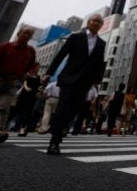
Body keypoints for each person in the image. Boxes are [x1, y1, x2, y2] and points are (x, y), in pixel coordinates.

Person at [43, 14, 106, 155]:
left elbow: (100, 63)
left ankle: (62, 126)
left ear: (101, 25)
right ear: (89, 22)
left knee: (74, 110)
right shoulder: (76, 37)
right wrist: (49, 73)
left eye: (99, 22)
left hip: (85, 82)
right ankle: (55, 141)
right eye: (94, 20)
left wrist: (98, 80)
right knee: (63, 107)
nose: (96, 23)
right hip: (69, 78)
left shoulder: (101, 43)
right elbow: (61, 55)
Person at [13, 63, 41, 136]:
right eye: (37, 67)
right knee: (20, 112)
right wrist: (26, 87)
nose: (38, 68)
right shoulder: (28, 75)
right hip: (24, 96)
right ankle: (16, 127)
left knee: (28, 113)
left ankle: (23, 128)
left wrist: (39, 93)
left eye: (39, 67)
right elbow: (25, 83)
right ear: (34, 68)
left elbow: (40, 87)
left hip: (32, 98)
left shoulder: (38, 77)